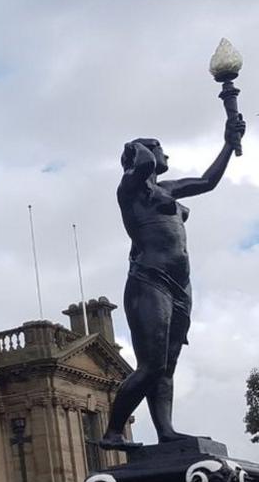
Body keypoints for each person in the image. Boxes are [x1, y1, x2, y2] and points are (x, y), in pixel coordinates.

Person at [100, 114, 245, 448]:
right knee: (151, 365)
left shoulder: (168, 189)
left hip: (179, 286)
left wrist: (227, 141)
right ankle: (112, 432)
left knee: (168, 365)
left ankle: (165, 430)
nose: (167, 158)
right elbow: (145, 161)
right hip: (149, 281)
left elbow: (208, 182)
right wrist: (137, 146)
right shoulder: (131, 189)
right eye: (162, 150)